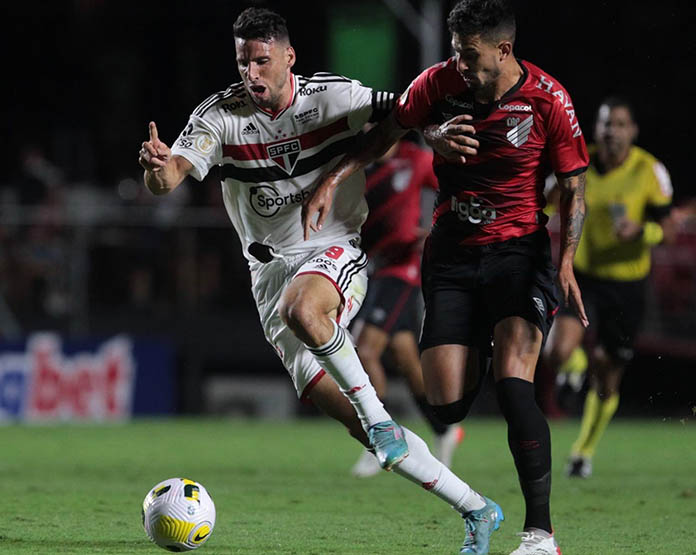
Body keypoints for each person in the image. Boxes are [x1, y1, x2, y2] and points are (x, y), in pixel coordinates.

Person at [137, 7, 503, 552]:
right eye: (243, 63)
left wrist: (434, 132)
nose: (251, 74)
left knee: (305, 311)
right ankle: (477, 508)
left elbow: (403, 112)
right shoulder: (220, 117)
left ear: (289, 58)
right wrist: (156, 166)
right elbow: (168, 181)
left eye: (262, 61)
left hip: (334, 252)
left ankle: (378, 413)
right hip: (268, 276)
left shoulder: (332, 98)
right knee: (372, 438)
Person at [304, 1, 589, 552]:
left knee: (513, 384)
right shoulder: (437, 85)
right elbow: (388, 131)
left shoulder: (549, 99)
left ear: (503, 50)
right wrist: (341, 174)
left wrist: (567, 258)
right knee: (445, 403)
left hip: (518, 253)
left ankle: (540, 533)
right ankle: (482, 341)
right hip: (453, 255)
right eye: (455, 51)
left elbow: (574, 185)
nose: (458, 62)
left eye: (469, 53)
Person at [543, 98, 675, 479]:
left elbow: (669, 230)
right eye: (605, 124)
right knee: (559, 351)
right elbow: (542, 204)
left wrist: (642, 231)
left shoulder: (650, 170)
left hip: (629, 283)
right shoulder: (577, 164)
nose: (611, 131)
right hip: (582, 275)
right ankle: (575, 367)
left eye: (619, 124)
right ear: (595, 129)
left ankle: (583, 451)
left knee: (608, 370)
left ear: (632, 131)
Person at [349, 136, 464, 478]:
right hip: (373, 267)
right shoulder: (361, 166)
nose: (372, 131)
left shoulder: (416, 158)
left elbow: (457, 186)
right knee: (404, 357)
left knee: (364, 349)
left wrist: (438, 231)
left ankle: (379, 438)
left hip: (403, 269)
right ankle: (445, 429)